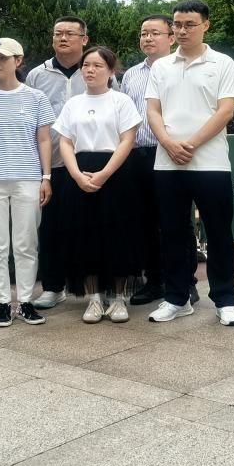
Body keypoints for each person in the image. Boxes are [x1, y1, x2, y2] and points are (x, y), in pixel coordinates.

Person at [145, 0, 234, 325]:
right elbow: (153, 110)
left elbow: (226, 110)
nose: (182, 30)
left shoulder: (222, 63)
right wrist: (169, 143)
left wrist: (191, 143)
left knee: (218, 232)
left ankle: (225, 299)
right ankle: (177, 297)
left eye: (190, 24)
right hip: (168, 163)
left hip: (211, 163)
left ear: (206, 25)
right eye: (177, 24)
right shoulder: (161, 66)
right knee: (173, 232)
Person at [0, 38, 56, 327]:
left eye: (1, 58)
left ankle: (25, 300)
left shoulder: (36, 98)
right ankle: (3, 302)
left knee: (26, 243)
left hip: (28, 178)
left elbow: (44, 139)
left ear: (18, 60)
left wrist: (46, 177)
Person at [56, 46, 143, 323]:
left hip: (116, 173)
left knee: (119, 234)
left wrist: (105, 173)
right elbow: (65, 142)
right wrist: (77, 175)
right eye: (86, 65)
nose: (90, 70)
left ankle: (118, 299)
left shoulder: (121, 101)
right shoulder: (73, 104)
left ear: (111, 71)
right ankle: (93, 299)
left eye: (97, 65)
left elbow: (127, 140)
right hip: (80, 173)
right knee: (85, 234)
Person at [28, 16, 92, 308]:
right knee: (50, 227)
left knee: (89, 225)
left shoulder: (96, 70)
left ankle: (92, 286)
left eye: (70, 33)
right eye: (58, 33)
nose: (63, 38)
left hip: (90, 164)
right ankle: (53, 287)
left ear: (84, 39)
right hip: (51, 164)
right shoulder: (37, 75)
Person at [122, 14, 179, 306]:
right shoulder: (130, 75)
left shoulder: (181, 69)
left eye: (155, 33)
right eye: (144, 33)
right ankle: (155, 281)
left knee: (175, 221)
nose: (147, 38)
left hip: (171, 153)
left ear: (171, 38)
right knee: (144, 221)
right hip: (138, 155)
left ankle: (183, 282)